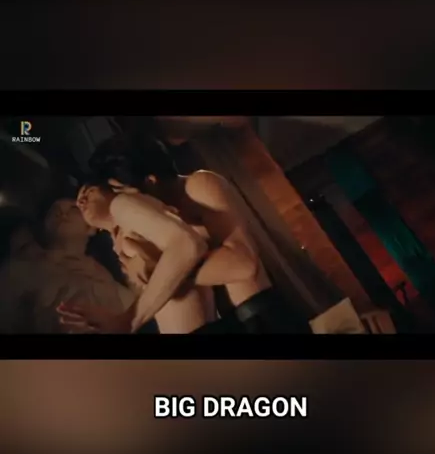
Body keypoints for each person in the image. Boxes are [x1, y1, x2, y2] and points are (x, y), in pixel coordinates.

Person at [86, 131, 313, 334]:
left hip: (260, 319)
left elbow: (242, 264)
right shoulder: (157, 220)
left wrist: (162, 267)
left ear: (151, 181)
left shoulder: (199, 186)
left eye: (121, 191)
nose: (125, 202)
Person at [57, 180, 217, 334]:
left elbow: (187, 245)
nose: (82, 201)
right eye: (78, 202)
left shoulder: (120, 204)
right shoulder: (119, 234)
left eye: (89, 192)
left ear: (114, 187)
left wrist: (129, 321)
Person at [0, 198, 133, 333]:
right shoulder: (20, 270)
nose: (62, 214)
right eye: (54, 211)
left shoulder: (106, 279)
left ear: (91, 227)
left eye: (74, 209)